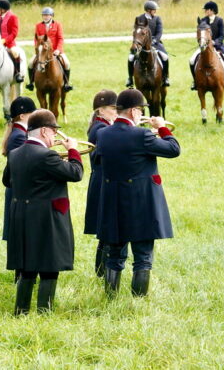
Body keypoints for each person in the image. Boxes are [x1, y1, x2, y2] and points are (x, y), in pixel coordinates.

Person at [95, 89, 180, 298]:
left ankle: (111, 297)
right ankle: (138, 299)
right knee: (142, 256)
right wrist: (161, 128)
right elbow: (173, 148)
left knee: (114, 255)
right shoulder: (142, 135)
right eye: (140, 110)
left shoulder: (102, 134)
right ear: (134, 111)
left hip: (113, 202)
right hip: (141, 203)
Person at [3, 109, 84, 314]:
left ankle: (20, 311)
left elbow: (7, 180)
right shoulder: (48, 155)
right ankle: (44, 312)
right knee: (49, 266)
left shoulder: (15, 153)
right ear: (45, 131)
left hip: (21, 215)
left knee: (27, 266)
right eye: (54, 131)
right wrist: (73, 151)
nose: (56, 135)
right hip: (46, 217)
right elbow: (76, 173)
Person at [84, 90, 118, 278]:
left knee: (106, 229)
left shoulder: (102, 126)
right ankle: (102, 270)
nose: (116, 111)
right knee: (106, 229)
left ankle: (101, 269)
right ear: (101, 111)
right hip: (103, 179)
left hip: (101, 178)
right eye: (113, 108)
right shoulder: (101, 129)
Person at [0, 96, 37, 244]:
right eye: (32, 114)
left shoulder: (20, 133)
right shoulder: (19, 136)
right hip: (19, 190)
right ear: (22, 116)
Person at [27, 7, 73, 92]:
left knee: (67, 63)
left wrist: (58, 50)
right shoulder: (38, 26)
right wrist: (38, 50)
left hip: (56, 51)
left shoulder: (57, 25)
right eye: (43, 15)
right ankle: (31, 83)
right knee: (30, 63)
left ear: (51, 16)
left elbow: (60, 38)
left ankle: (66, 84)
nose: (45, 17)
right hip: (42, 52)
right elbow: (36, 39)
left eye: (47, 15)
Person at [190, 1, 224, 89]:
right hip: (204, 46)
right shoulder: (203, 20)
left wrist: (214, 42)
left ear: (212, 10)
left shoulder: (220, 21)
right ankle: (195, 81)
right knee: (191, 60)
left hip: (218, 45)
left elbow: (222, 35)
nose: (205, 11)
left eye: (206, 10)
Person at [127, 0, 170, 88]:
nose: (155, 11)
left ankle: (165, 77)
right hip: (141, 44)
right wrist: (138, 42)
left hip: (155, 43)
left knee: (165, 57)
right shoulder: (139, 18)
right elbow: (136, 32)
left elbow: (159, 32)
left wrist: (154, 40)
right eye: (154, 10)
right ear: (149, 10)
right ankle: (130, 79)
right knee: (131, 58)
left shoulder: (157, 19)